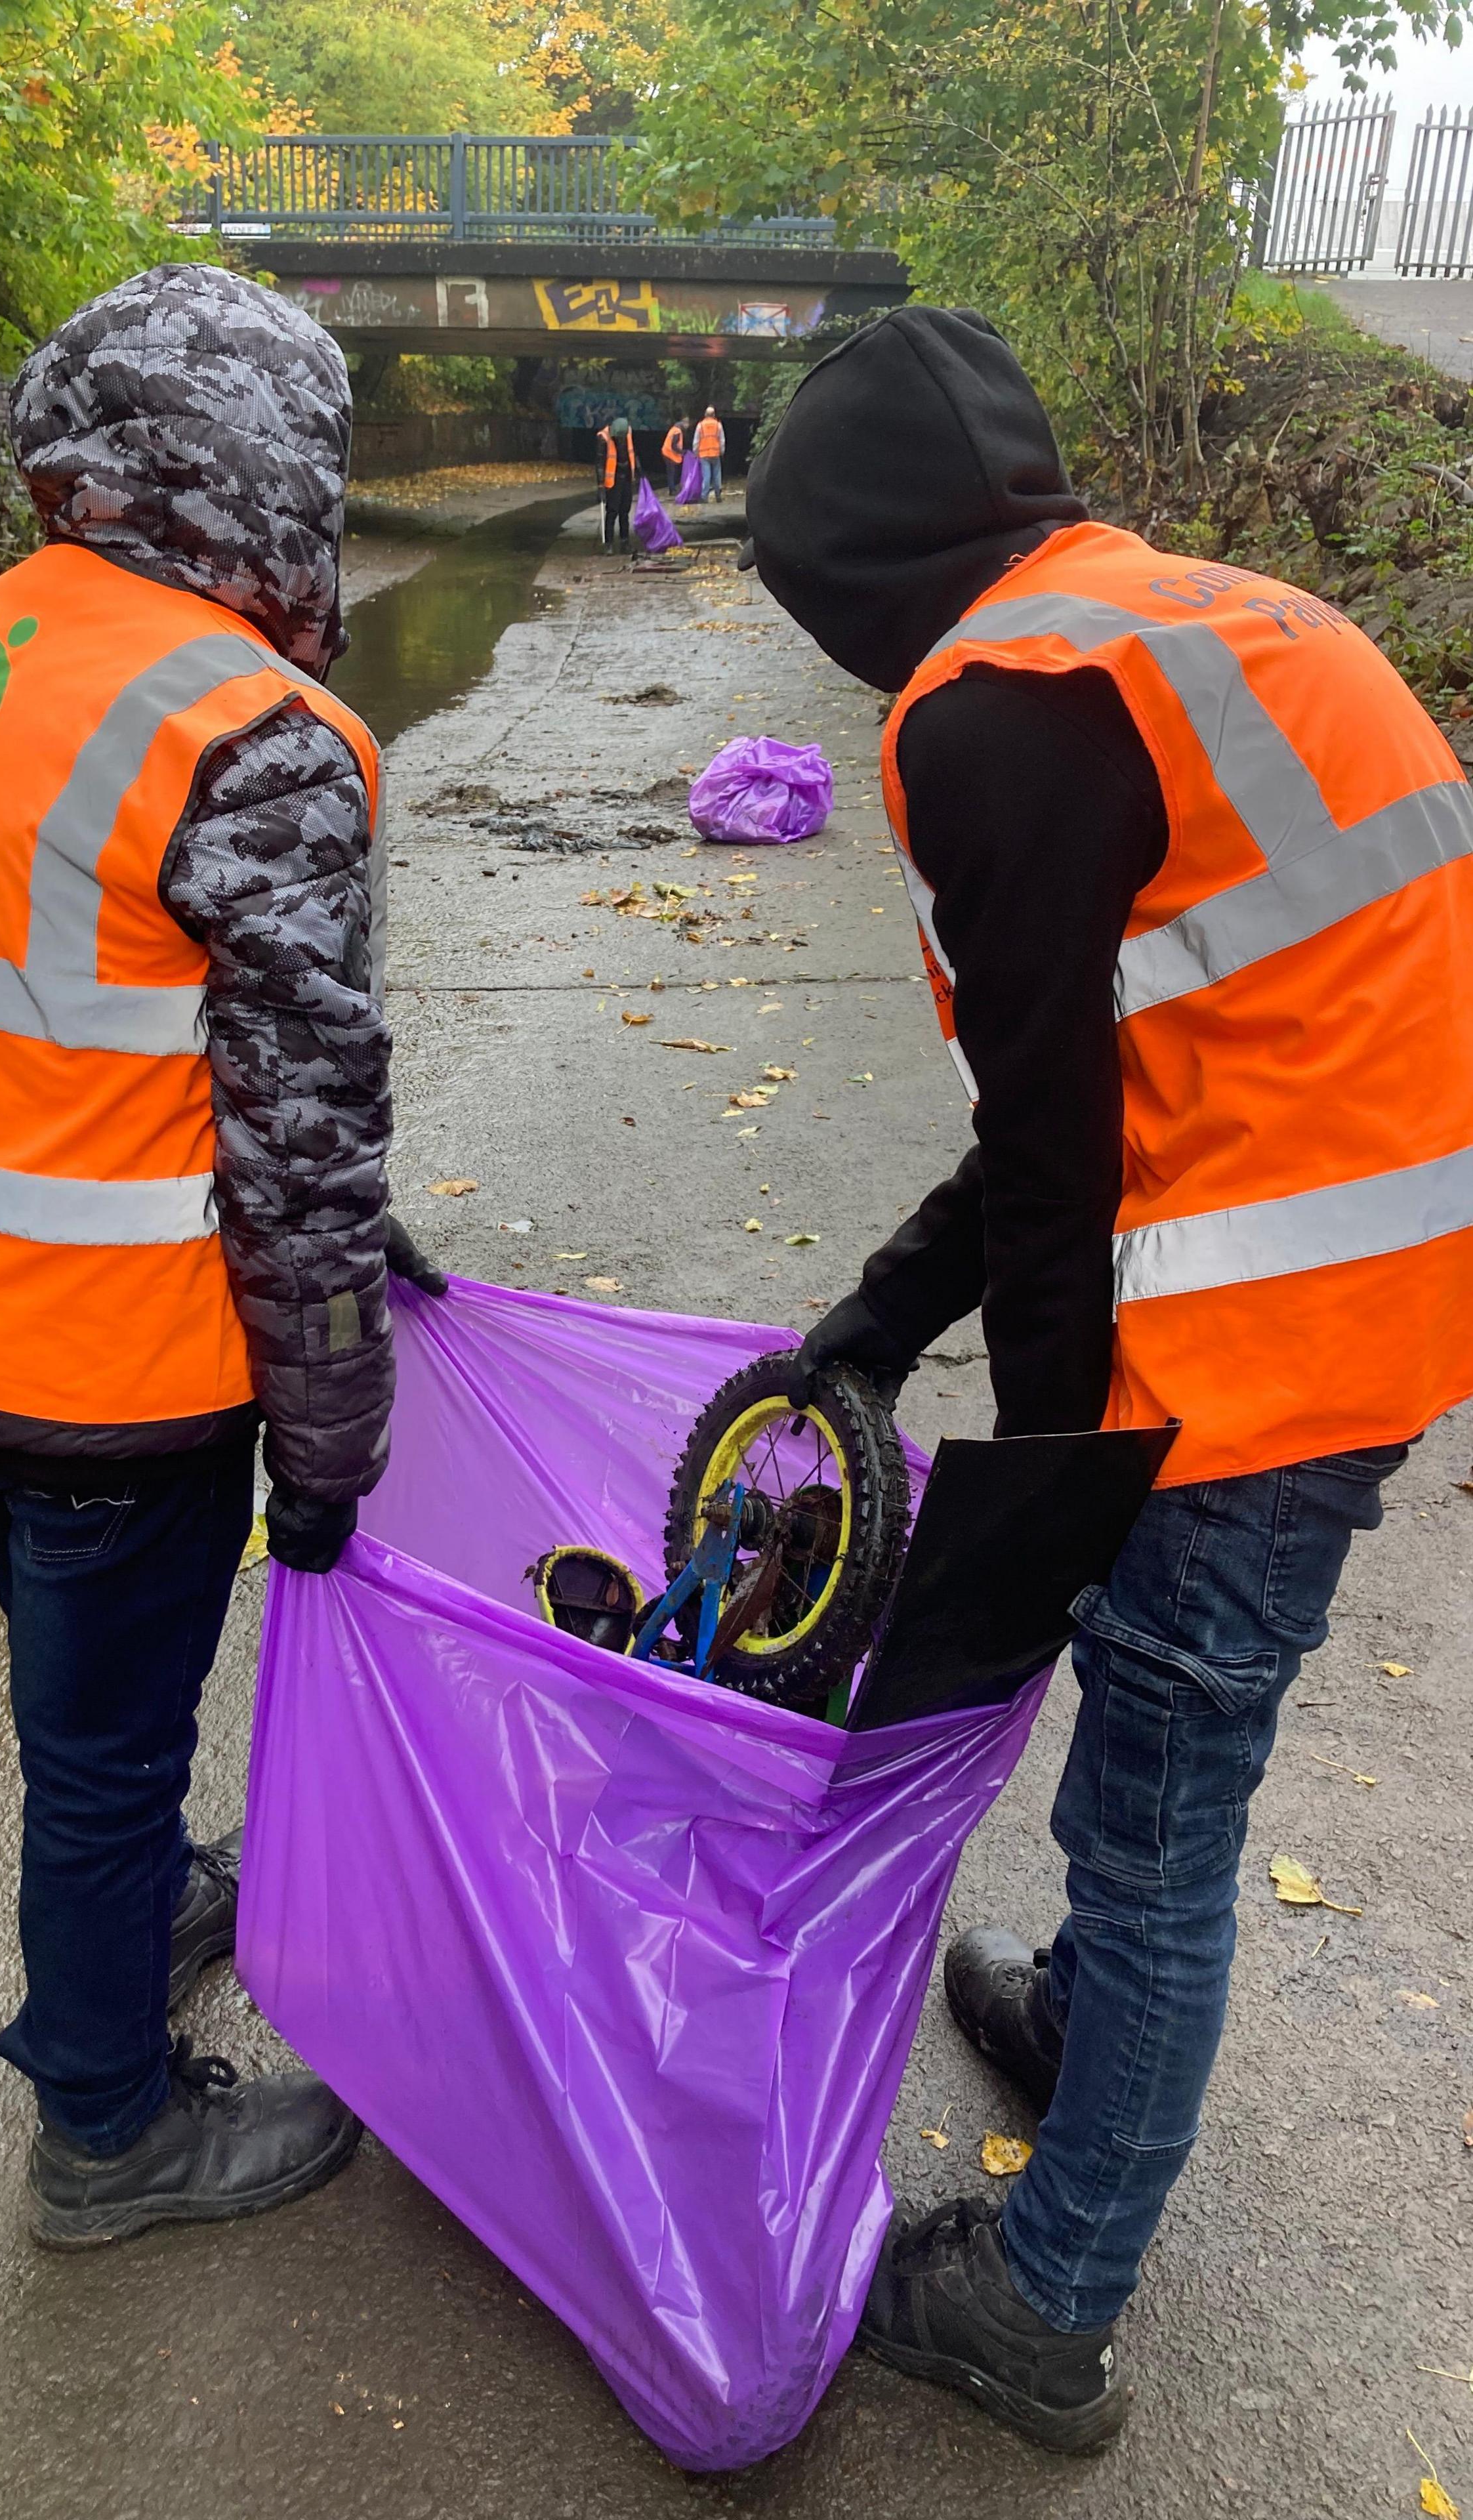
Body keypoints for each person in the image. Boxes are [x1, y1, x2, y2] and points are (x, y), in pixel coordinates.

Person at [745, 305, 1473, 2451]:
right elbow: (1105, 1086)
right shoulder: (1180, 625)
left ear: (857, 584)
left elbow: (1064, 1159)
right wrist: (878, 1326)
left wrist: (1052, 1479)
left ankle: (1047, 2307)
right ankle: (1081, 2025)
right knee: (1152, 1774)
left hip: (1270, 1337)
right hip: (1372, 1270)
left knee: (1159, 1809)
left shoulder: (1001, 713)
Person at [0, 262, 448, 2248]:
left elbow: (70, 980)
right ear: (277, 471)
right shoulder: (255, 728)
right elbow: (303, 1119)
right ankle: (105, 2125)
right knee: (97, 1746)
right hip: (100, 1368)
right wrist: (331, 1419)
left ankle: (140, 1895)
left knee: (73, 1688)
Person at [597, 413, 638, 551]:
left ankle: (625, 542)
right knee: (612, 512)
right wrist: (601, 486)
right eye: (619, 438)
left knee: (624, 511)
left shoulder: (627, 432)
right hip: (612, 481)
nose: (621, 440)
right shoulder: (603, 438)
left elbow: (632, 452)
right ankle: (609, 544)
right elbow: (600, 464)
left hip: (626, 477)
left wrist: (637, 470)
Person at [694, 406, 726, 501]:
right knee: (717, 474)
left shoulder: (701, 425)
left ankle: (704, 497)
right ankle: (718, 495)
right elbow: (722, 440)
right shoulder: (718, 425)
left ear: (705, 414)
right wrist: (722, 451)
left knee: (706, 475)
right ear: (714, 415)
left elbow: (696, 441)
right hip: (715, 453)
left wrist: (696, 452)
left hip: (704, 454)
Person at [663, 415, 689, 497]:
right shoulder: (677, 431)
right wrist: (681, 452)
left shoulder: (674, 429)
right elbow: (674, 445)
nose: (688, 426)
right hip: (669, 454)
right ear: (684, 424)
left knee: (672, 472)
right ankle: (672, 490)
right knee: (671, 473)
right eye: (687, 424)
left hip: (666, 452)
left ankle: (673, 488)